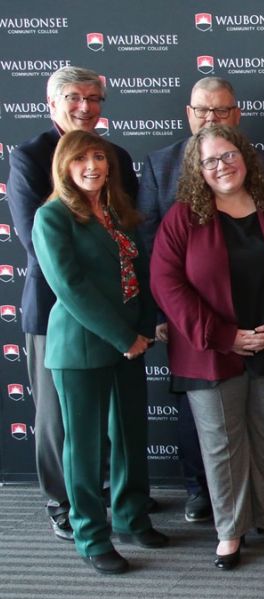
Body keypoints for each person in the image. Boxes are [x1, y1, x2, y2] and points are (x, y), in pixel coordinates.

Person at [151, 125, 264, 570]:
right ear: (197, 170)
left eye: (228, 156)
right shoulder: (183, 217)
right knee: (222, 443)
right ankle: (230, 529)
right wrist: (224, 335)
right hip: (210, 351)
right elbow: (167, 284)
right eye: (210, 161)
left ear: (245, 157)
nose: (221, 166)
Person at [137, 76, 264, 524]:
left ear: (235, 116)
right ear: (189, 114)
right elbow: (149, 247)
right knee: (198, 421)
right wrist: (163, 315)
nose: (210, 119)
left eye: (220, 111)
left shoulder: (262, 168)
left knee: (259, 426)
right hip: (188, 326)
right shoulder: (160, 165)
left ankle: (257, 506)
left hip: (259, 322)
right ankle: (201, 492)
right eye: (202, 111)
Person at [7, 66, 141, 542]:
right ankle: (63, 503)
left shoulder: (118, 156)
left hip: (119, 313)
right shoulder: (29, 156)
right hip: (54, 310)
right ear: (51, 102)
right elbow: (32, 238)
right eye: (73, 98)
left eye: (94, 98)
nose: (85, 107)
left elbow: (130, 234)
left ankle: (109, 497)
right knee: (57, 417)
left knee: (115, 422)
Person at [32, 130, 163, 574]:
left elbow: (140, 272)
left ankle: (130, 517)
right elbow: (71, 289)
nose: (92, 166)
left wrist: (143, 328)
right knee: (84, 448)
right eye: (80, 159)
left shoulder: (117, 211)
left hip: (131, 340)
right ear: (64, 168)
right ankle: (90, 536)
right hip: (81, 347)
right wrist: (123, 337)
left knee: (130, 435)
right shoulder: (52, 217)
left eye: (99, 158)